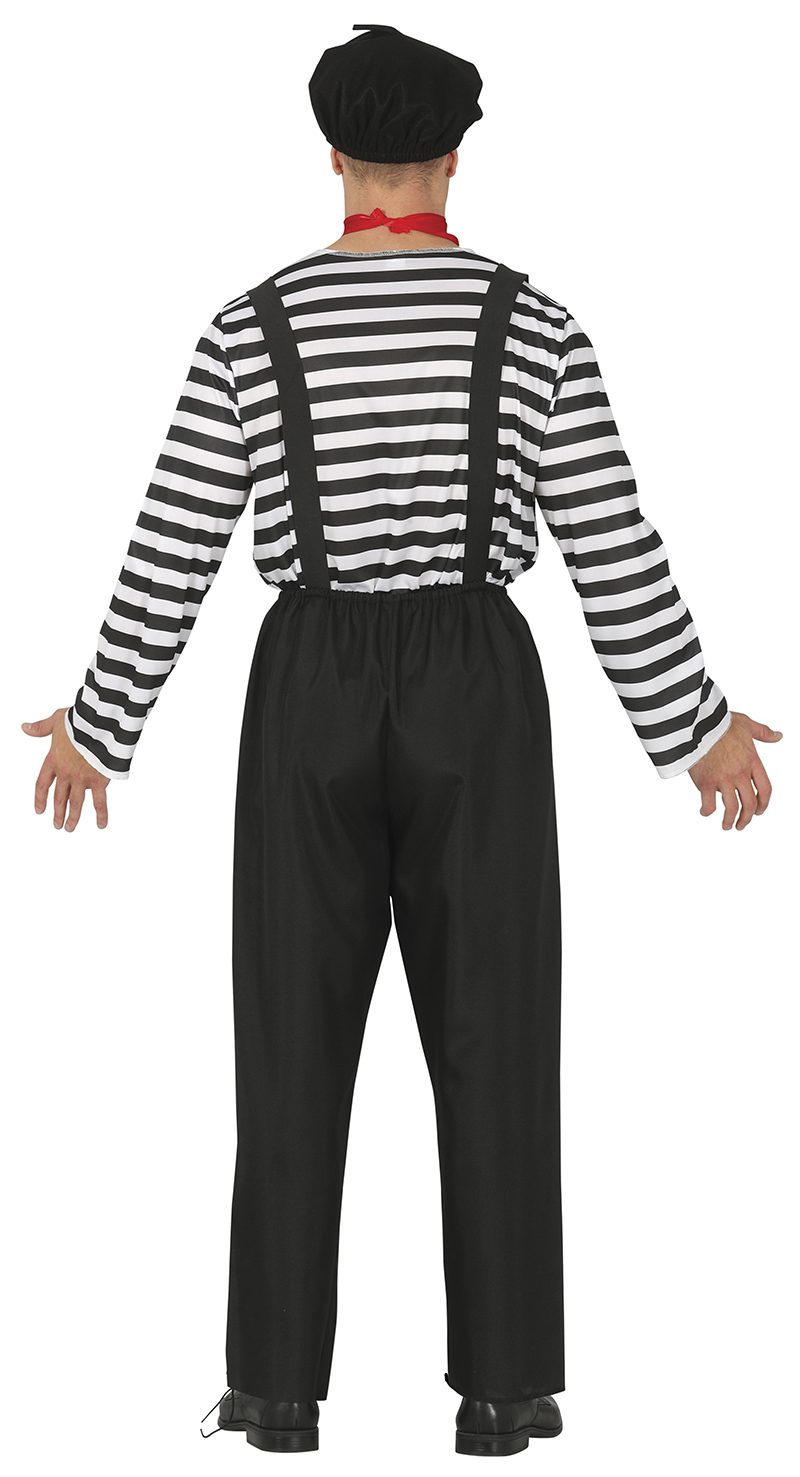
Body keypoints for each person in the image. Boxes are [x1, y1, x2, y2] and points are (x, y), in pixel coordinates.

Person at [23, 22, 781, 1460]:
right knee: (498, 1032)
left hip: (307, 677)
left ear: (332, 157)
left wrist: (100, 723)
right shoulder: (534, 323)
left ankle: (275, 1390)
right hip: (477, 684)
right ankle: (504, 1388)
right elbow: (612, 543)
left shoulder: (252, 327)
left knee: (289, 1037)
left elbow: (175, 538)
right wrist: (697, 729)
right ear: (456, 155)